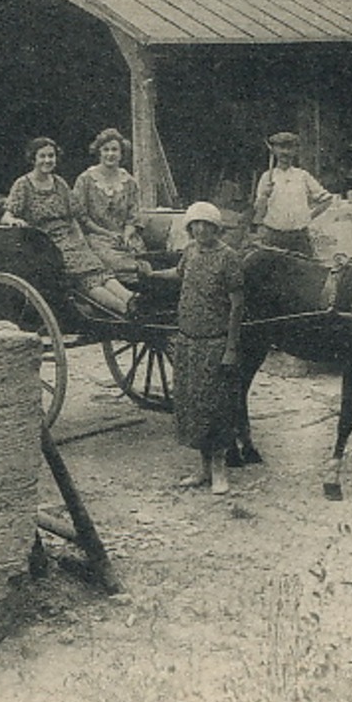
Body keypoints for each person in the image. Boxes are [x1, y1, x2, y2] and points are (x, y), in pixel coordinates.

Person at [140, 201, 245, 494]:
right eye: (195, 225)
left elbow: (237, 305)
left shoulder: (229, 258)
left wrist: (231, 347)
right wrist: (152, 275)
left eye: (206, 225)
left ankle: (220, 470)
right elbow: (178, 273)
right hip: (188, 341)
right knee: (193, 406)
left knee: (216, 408)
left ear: (216, 228)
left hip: (215, 343)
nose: (200, 230)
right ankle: (202, 469)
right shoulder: (190, 252)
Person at [2, 136, 138, 316]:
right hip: (43, 244)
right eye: (42, 156)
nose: (47, 160)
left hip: (68, 238)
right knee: (85, 276)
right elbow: (7, 214)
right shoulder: (23, 185)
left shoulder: (60, 183)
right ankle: (121, 307)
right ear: (33, 159)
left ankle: (130, 298)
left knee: (98, 268)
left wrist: (79, 239)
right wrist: (13, 220)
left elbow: (76, 215)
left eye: (51, 156)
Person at [73, 128, 146, 280]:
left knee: (141, 258)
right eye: (105, 150)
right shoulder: (85, 180)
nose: (110, 154)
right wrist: (107, 234)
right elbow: (81, 217)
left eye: (115, 150)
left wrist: (126, 235)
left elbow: (133, 216)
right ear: (99, 152)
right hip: (96, 237)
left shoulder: (130, 182)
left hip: (125, 237)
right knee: (117, 263)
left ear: (121, 153)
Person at [251, 131, 334, 258]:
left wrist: (308, 216)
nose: (285, 152)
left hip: (299, 238)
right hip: (274, 237)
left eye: (290, 148)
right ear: (274, 151)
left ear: (295, 151)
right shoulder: (267, 177)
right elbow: (258, 211)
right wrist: (264, 195)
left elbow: (327, 199)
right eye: (281, 148)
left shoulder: (302, 176)